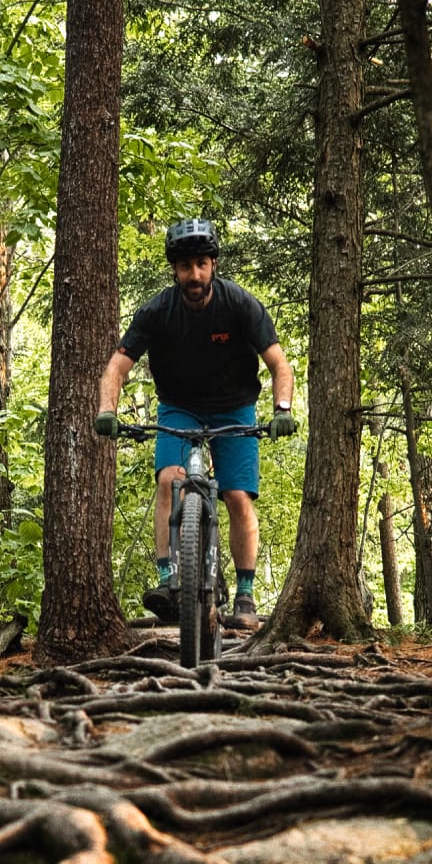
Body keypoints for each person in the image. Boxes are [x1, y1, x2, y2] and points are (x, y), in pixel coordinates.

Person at [94, 217, 296, 625]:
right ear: (175, 270)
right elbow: (117, 367)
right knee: (170, 478)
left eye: (202, 264)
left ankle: (244, 595)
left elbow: (279, 365)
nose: (195, 274)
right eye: (186, 266)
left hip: (235, 408)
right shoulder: (157, 311)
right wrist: (107, 410)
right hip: (178, 409)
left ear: (214, 265)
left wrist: (283, 410)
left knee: (238, 497)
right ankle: (169, 579)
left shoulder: (240, 304)